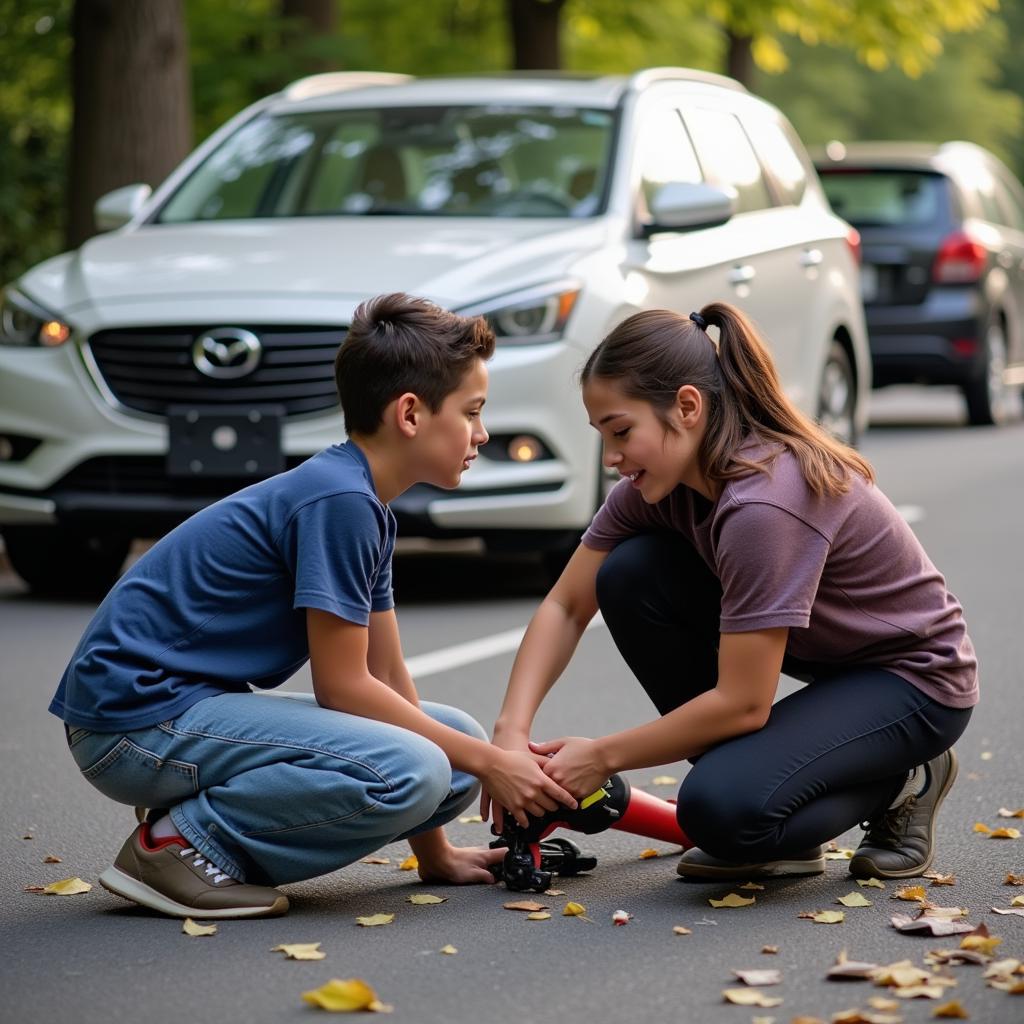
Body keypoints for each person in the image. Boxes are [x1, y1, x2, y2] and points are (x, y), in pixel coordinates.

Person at [49, 293, 576, 919]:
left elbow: (387, 676)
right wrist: (495, 764)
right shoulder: (339, 502)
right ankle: (180, 846)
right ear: (410, 413)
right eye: (472, 412)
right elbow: (346, 688)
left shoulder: (362, 501)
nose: (481, 434)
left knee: (452, 742)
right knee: (419, 766)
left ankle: (203, 816)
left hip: (175, 711)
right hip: (130, 723)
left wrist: (435, 852)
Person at [488, 302, 976, 882]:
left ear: (687, 407)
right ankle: (769, 794)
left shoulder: (763, 505)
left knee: (717, 813)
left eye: (621, 431)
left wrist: (602, 757)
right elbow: (567, 606)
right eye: (602, 436)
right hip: (828, 663)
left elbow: (745, 702)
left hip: (914, 679)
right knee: (629, 572)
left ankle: (903, 780)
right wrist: (508, 739)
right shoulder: (655, 488)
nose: (612, 458)